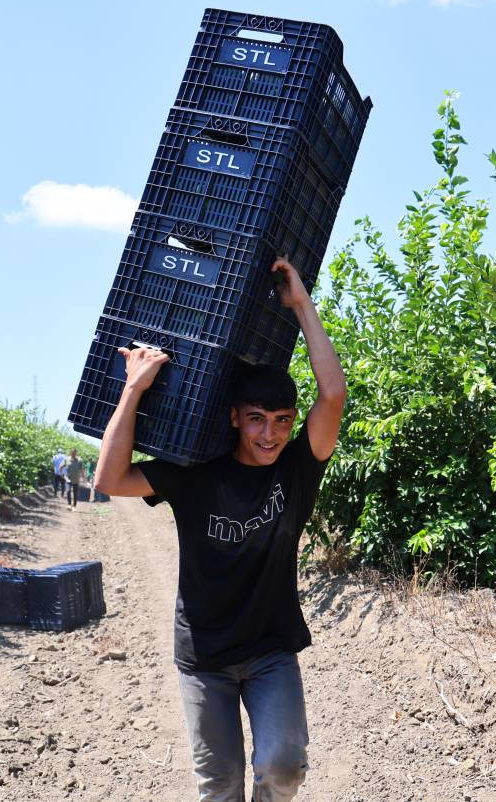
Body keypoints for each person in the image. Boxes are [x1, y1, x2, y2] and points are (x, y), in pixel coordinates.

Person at [94, 257, 346, 802]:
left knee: (282, 766)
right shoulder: (196, 472)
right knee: (221, 783)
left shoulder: (297, 470)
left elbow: (333, 396)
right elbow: (110, 478)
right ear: (235, 417)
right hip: (204, 653)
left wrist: (301, 305)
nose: (270, 434)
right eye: (257, 418)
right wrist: (134, 389)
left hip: (270, 648)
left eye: (282, 421)